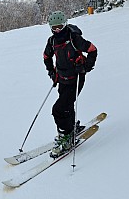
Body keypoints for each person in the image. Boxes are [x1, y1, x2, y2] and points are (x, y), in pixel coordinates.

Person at [42, 10, 97, 157]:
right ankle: (71, 128)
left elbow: (92, 50)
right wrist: (52, 72)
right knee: (67, 106)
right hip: (62, 79)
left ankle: (66, 136)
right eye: (54, 28)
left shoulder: (74, 38)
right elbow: (46, 57)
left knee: (58, 109)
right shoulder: (52, 41)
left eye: (59, 26)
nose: (57, 30)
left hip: (77, 78)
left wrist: (85, 67)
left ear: (65, 24)